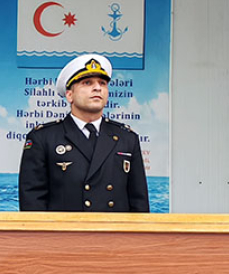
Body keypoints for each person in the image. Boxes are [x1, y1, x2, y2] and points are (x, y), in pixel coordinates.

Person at [18, 53, 149, 212]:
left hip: (114, 234)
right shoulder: (43, 138)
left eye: (102, 83)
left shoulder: (127, 138)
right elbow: (32, 202)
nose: (97, 88)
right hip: (64, 234)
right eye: (87, 83)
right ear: (69, 95)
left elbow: (139, 203)